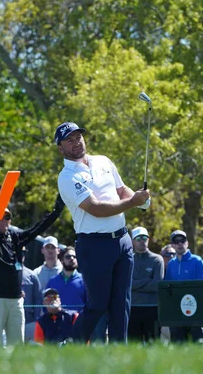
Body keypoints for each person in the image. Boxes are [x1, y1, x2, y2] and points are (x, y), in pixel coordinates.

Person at [55, 121, 150, 343]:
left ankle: (119, 353)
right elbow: (96, 209)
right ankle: (73, 344)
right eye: (69, 140)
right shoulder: (67, 177)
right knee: (97, 305)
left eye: (78, 137)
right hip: (93, 245)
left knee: (121, 303)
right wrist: (133, 202)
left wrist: (141, 200)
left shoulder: (103, 161)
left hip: (122, 241)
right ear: (60, 148)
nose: (76, 142)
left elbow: (121, 189)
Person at [0, 196, 64, 346]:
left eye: (7, 217)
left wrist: (56, 212)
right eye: (0, 216)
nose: (4, 219)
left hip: (16, 300)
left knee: (17, 345)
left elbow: (37, 229)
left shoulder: (15, 238)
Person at [165, 230, 203, 343]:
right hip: (176, 309)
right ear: (172, 245)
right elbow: (168, 287)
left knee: (198, 341)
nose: (179, 244)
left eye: (182, 241)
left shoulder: (197, 260)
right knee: (177, 342)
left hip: (195, 307)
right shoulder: (171, 263)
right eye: (176, 241)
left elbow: (202, 285)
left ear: (187, 243)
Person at [128, 227, 164, 343]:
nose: (142, 240)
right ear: (133, 241)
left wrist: (136, 284)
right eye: (138, 238)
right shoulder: (128, 260)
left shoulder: (157, 259)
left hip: (152, 308)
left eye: (144, 238)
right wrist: (146, 280)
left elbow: (156, 285)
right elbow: (127, 284)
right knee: (134, 346)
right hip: (132, 308)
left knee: (152, 346)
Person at [46, 247, 87, 312]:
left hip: (78, 321)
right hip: (57, 321)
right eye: (68, 257)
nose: (72, 259)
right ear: (61, 260)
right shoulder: (52, 282)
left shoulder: (85, 281)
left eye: (74, 256)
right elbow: (46, 307)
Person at [21, 251, 43, 342]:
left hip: (29, 322)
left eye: (22, 254)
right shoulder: (5, 273)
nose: (21, 256)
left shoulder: (31, 275)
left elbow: (38, 298)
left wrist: (36, 319)